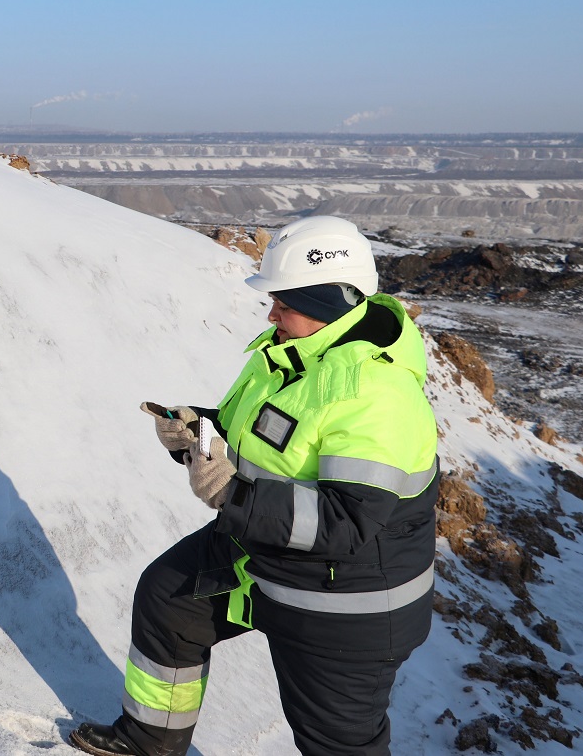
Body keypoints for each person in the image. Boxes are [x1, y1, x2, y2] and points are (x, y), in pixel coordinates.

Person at [69, 216, 439, 756]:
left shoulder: (374, 394)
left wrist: (229, 494)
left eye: (283, 303)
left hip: (342, 602)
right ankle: (150, 740)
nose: (271, 314)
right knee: (169, 598)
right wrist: (199, 428)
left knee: (339, 745)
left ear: (328, 302)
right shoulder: (295, 352)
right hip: (262, 549)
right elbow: (267, 435)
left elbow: (345, 523)